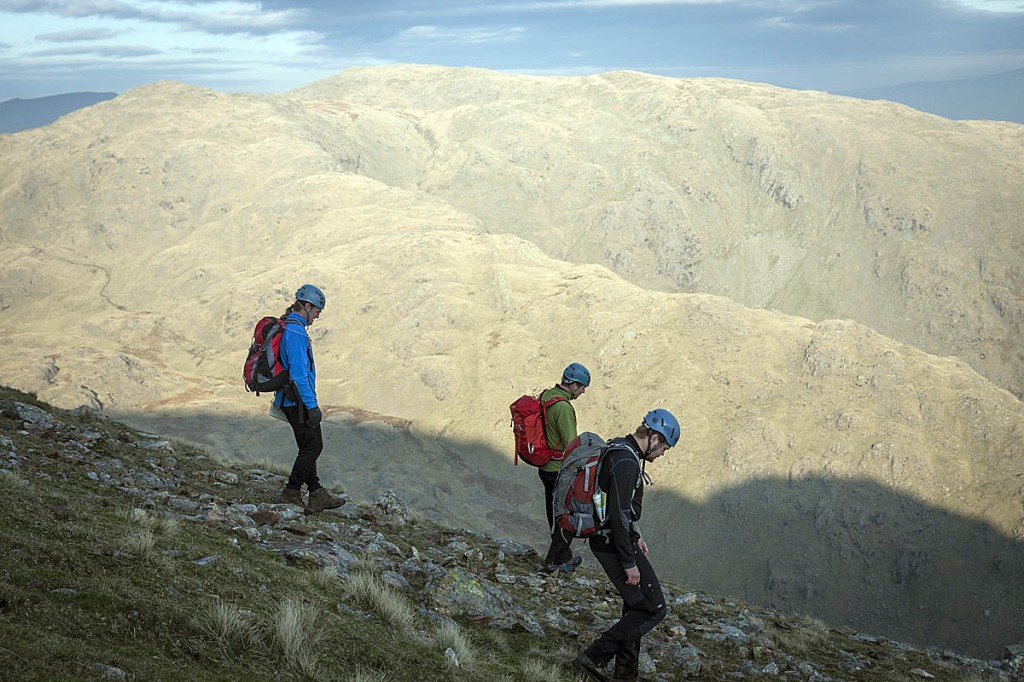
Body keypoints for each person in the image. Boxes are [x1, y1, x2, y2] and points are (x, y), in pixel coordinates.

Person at [572, 408, 680, 682]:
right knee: (654, 607)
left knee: (637, 603)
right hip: (613, 542)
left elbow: (621, 509)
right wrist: (630, 563)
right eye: (665, 447)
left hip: (612, 538)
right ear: (654, 438)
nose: (663, 454)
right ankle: (594, 657)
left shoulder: (621, 448)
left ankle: (626, 673)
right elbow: (618, 516)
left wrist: (637, 532)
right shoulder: (626, 462)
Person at [275, 284, 344, 513]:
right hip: (297, 401)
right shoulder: (295, 333)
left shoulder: (292, 327)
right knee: (313, 446)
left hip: (292, 399)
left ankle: (316, 493)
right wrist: (312, 406)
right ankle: (291, 491)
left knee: (309, 445)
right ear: (306, 306)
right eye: (316, 312)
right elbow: (298, 374)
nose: (317, 317)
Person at [539, 362, 591, 573]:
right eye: (582, 387)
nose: (583, 392)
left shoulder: (548, 395)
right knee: (563, 514)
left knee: (555, 512)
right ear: (573, 385)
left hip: (545, 465)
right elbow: (571, 444)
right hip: (557, 469)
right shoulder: (563, 408)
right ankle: (554, 561)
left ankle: (564, 556)